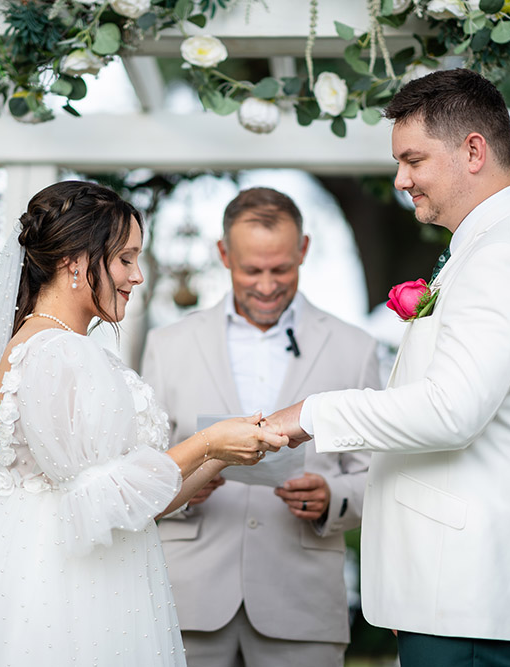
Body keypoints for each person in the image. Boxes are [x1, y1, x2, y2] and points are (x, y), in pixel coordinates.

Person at [0, 181, 287, 666]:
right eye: (125, 259)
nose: (137, 276)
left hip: (93, 566)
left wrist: (222, 451)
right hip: (58, 585)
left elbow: (133, 501)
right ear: (74, 260)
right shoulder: (54, 352)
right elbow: (100, 495)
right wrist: (207, 439)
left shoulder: (69, 348)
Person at [265, 69, 510, 667]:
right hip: (459, 592)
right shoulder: (490, 245)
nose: (400, 178)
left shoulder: (506, 255)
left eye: (413, 160)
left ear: (472, 150)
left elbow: (450, 410)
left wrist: (311, 413)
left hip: (477, 594)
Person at [141, 187, 380, 666]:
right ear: (223, 254)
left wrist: (334, 497)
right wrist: (181, 485)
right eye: (252, 270)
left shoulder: (355, 348)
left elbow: (381, 472)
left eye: (281, 269)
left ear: (304, 251)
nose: (267, 285)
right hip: (186, 599)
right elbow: (138, 465)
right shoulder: (168, 345)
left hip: (302, 603)